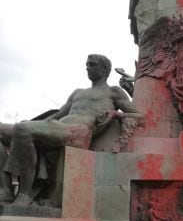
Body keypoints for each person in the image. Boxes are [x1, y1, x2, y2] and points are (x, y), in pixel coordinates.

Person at [0, 54, 142, 206]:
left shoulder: (114, 91)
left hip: (79, 132)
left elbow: (140, 116)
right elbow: (59, 113)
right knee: (11, 129)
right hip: (58, 126)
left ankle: (25, 195)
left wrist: (116, 114)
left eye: (92, 64)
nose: (87, 67)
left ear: (105, 69)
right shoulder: (77, 92)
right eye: (87, 64)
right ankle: (6, 190)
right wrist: (35, 123)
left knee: (22, 130)